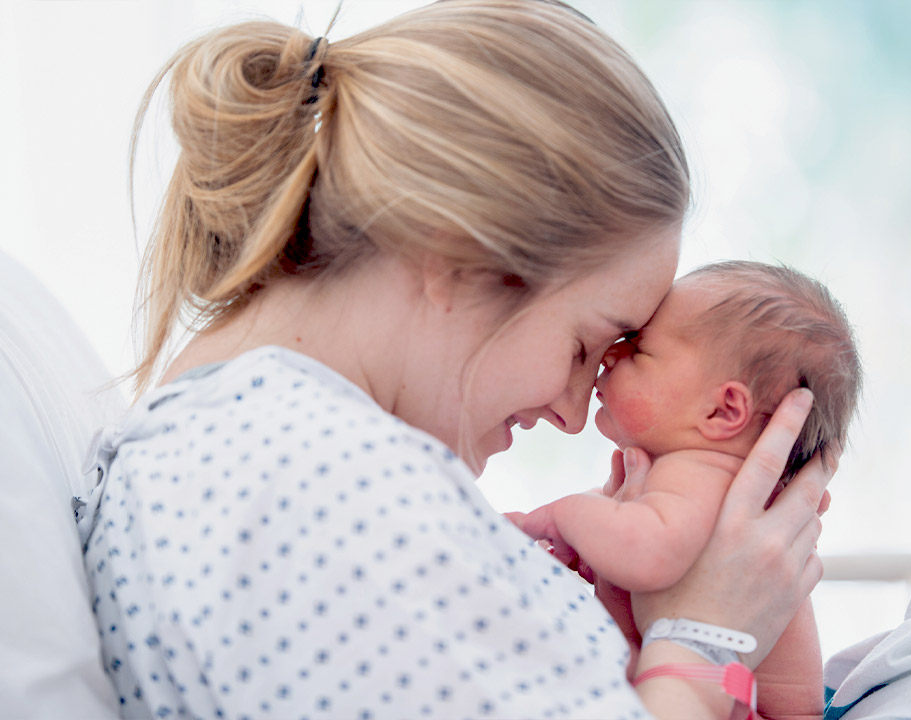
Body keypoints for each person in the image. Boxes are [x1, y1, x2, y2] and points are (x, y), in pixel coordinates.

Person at [77, 2, 835, 718]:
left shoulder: (268, 453)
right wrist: (707, 639)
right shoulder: (312, 483)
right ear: (459, 254)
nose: (577, 415)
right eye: (583, 346)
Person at [510, 260, 862, 717]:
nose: (609, 356)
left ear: (722, 411)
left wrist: (562, 518)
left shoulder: (704, 474)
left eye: (639, 348)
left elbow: (649, 553)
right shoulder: (700, 481)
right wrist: (598, 547)